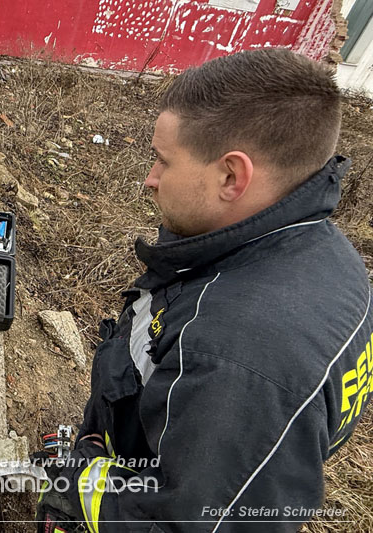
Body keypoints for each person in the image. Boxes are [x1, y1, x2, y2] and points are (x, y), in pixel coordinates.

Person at [37, 48, 373, 532]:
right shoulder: (322, 251)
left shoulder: (237, 359)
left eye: (162, 161)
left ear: (232, 176)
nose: (149, 180)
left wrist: (82, 481)